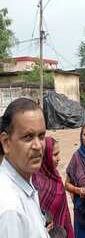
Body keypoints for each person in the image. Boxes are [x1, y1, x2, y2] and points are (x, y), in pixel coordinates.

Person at [0, 97, 49, 237]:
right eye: (28, 137)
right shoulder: (10, 208)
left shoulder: (25, 185)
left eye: (41, 136)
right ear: (6, 142)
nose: (38, 146)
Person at [32, 137, 74, 238]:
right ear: (44, 156)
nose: (59, 158)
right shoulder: (35, 182)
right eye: (55, 154)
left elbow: (65, 214)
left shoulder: (56, 176)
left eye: (59, 153)